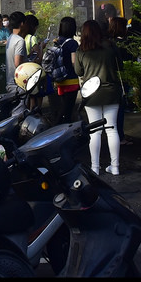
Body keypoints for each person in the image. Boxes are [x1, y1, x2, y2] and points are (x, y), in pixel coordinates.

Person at [73, 19, 123, 175]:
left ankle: (95, 167)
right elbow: (120, 66)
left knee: (95, 131)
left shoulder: (81, 50)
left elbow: (78, 72)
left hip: (91, 94)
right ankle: (115, 167)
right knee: (112, 129)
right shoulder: (111, 46)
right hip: (111, 91)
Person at [107, 16, 134, 146]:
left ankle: (117, 134)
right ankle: (120, 136)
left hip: (110, 79)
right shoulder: (125, 43)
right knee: (120, 109)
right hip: (122, 79)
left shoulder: (108, 43)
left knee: (113, 110)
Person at [51, 16, 80, 124]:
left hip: (59, 79)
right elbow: (73, 62)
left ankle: (59, 125)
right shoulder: (72, 43)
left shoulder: (57, 41)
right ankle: (61, 127)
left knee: (63, 105)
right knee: (68, 108)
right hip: (71, 79)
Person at [4, 11, 28, 93]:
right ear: (22, 24)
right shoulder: (20, 40)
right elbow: (18, 63)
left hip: (10, 81)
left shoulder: (10, 38)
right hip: (18, 84)